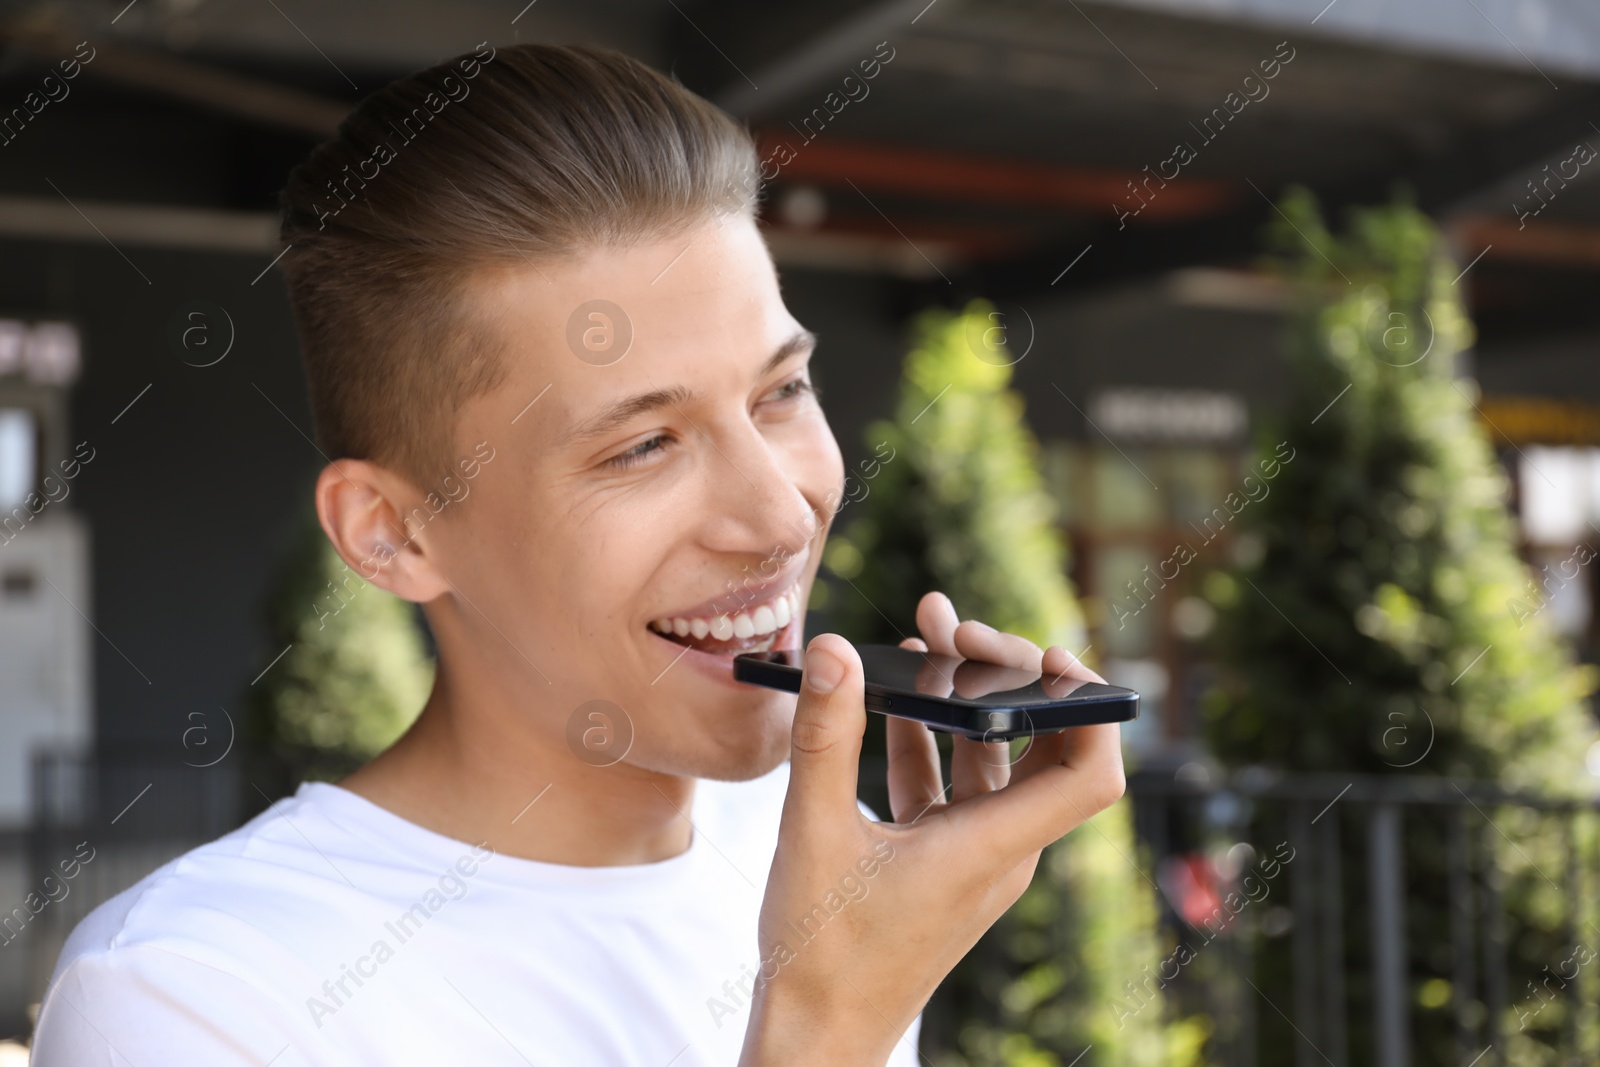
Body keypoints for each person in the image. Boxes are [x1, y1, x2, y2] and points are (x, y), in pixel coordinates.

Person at [31, 42, 1124, 1066]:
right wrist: (823, 1027)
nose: (782, 516)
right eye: (643, 444)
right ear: (392, 531)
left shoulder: (825, 861)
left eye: (780, 390)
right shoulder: (193, 991)